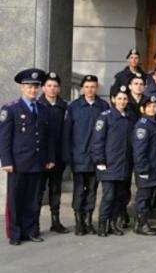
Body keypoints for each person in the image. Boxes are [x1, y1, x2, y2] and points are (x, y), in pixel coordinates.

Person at [0, 68, 54, 245]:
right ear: (21, 88)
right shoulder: (11, 109)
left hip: (38, 162)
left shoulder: (43, 109)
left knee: (34, 200)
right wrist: (6, 161)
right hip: (18, 162)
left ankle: (31, 230)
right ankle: (15, 233)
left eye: (35, 87)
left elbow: (48, 137)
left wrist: (49, 158)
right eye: (29, 87)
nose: (32, 90)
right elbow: (4, 138)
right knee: (16, 200)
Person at [62, 74, 109, 236]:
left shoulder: (103, 106)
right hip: (79, 156)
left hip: (96, 157)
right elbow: (67, 133)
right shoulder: (74, 107)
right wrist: (68, 155)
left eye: (93, 87)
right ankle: (79, 222)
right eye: (87, 87)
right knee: (79, 189)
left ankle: (89, 220)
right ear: (82, 88)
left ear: (97, 88)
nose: (90, 90)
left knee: (92, 189)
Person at [91, 85, 134, 237]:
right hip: (108, 165)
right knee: (108, 196)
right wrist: (99, 160)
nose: (122, 101)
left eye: (125, 99)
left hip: (124, 165)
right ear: (113, 99)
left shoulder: (129, 118)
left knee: (119, 197)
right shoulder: (105, 116)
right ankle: (103, 224)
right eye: (119, 98)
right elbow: (97, 141)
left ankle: (114, 224)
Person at [38, 72, 69, 234]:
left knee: (55, 189)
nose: (52, 89)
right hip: (40, 156)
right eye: (49, 86)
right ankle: (34, 223)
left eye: (55, 86)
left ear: (59, 88)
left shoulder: (64, 106)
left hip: (58, 155)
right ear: (43, 88)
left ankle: (55, 221)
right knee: (38, 190)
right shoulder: (37, 105)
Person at [132, 95, 156, 235]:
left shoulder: (153, 122)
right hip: (146, 168)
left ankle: (142, 222)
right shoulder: (143, 125)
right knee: (143, 197)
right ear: (143, 108)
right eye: (150, 106)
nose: (152, 109)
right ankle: (141, 224)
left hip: (153, 167)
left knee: (148, 196)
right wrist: (142, 169)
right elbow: (139, 151)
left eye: (155, 106)